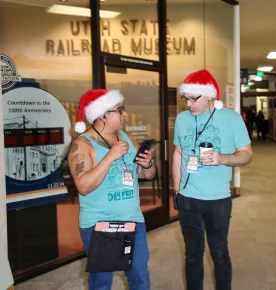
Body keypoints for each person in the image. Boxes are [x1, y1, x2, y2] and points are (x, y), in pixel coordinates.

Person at [172, 70, 253, 290]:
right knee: (192, 255)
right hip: (187, 198)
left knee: (219, 253)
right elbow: (178, 153)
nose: (189, 104)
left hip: (217, 200)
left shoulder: (231, 118)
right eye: (185, 98)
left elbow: (247, 154)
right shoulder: (181, 119)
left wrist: (222, 158)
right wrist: (176, 189)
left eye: (193, 98)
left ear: (209, 96)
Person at [68, 89, 155, 290]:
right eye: (119, 110)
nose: (124, 114)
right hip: (100, 224)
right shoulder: (81, 145)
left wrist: (148, 165)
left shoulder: (128, 137)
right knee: (101, 284)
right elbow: (83, 187)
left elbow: (147, 176)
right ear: (102, 115)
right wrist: (110, 156)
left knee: (140, 279)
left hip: (133, 220)